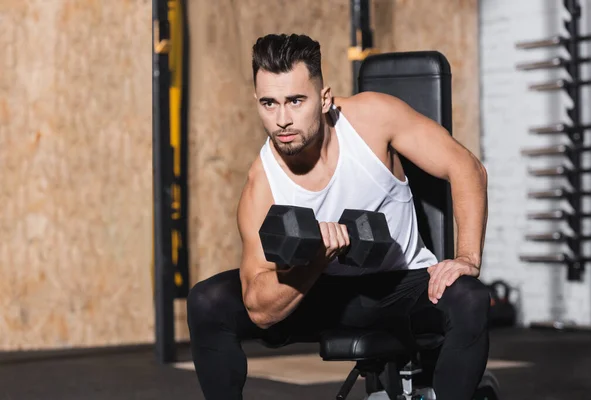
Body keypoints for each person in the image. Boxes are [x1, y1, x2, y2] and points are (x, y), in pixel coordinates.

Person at [187, 33, 490, 400]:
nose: (282, 119)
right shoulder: (261, 185)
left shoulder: (372, 119)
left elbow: (466, 167)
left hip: (401, 287)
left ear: (325, 97)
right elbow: (259, 308)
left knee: (470, 298)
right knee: (208, 302)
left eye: (296, 101)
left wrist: (466, 257)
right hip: (321, 293)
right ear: (256, 101)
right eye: (269, 103)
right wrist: (315, 259)